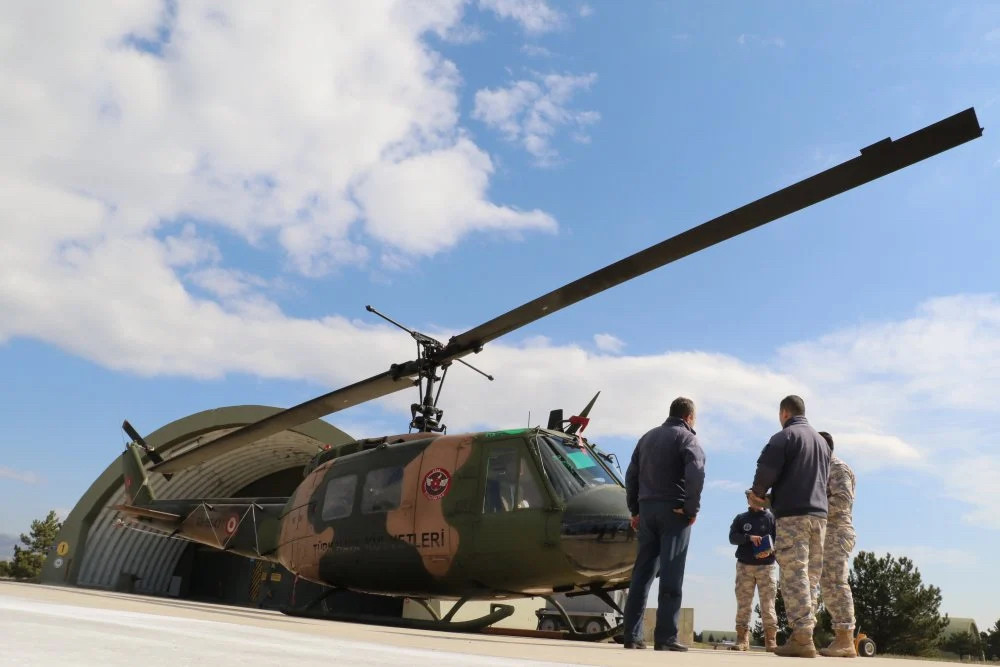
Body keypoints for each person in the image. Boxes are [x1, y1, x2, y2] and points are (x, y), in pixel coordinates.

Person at [749, 395, 830, 658]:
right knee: (810, 578)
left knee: (794, 576)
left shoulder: (785, 437)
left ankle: (803, 638)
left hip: (794, 517)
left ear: (784, 413)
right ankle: (803, 634)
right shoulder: (821, 442)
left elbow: (766, 469)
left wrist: (758, 494)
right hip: (820, 517)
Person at [623, 396, 706, 651]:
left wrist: (635, 510)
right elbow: (696, 472)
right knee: (672, 575)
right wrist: (691, 508)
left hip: (647, 510)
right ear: (689, 417)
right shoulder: (687, 438)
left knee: (642, 574)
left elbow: (631, 475)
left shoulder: (646, 438)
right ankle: (665, 637)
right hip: (674, 511)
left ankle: (632, 636)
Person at [817, 431, 858, 658]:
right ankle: (841, 637)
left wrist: (812, 507)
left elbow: (842, 501)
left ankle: (845, 640)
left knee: (836, 582)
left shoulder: (838, 468)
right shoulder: (821, 470)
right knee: (828, 585)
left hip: (836, 531)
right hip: (825, 532)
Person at [729, 491, 778, 652]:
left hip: (766, 567)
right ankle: (742, 638)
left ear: (763, 500)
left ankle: (771, 640)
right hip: (744, 566)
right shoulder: (741, 518)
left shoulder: (771, 518)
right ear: (748, 500)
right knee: (743, 604)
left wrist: (771, 550)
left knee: (768, 604)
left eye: (758, 498)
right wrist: (749, 538)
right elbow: (732, 537)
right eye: (751, 498)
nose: (755, 501)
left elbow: (779, 539)